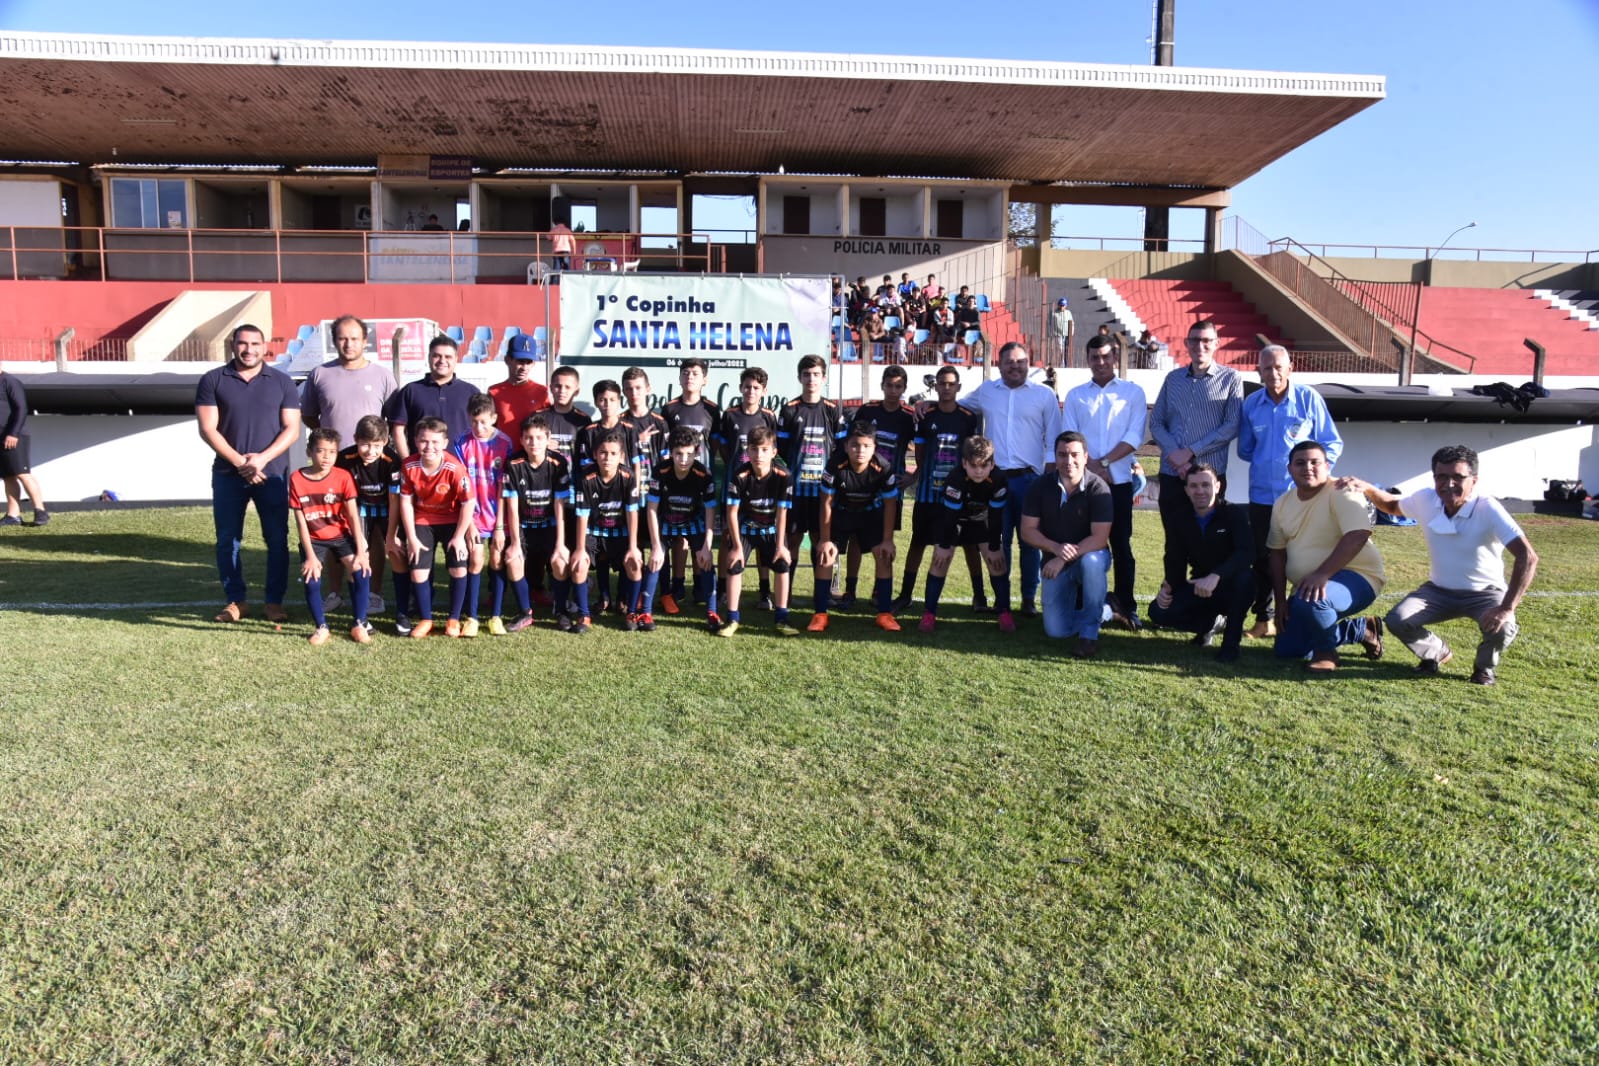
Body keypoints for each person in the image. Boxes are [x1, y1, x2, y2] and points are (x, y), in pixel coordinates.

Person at [1341, 445, 1537, 686]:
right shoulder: (1426, 499)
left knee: (1504, 626)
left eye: (1458, 477)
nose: (1448, 484)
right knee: (1397, 619)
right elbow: (1392, 506)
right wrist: (1367, 487)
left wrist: (1506, 608)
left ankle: (1483, 668)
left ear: (1474, 480)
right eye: (1441, 477)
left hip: (1485, 593)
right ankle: (1435, 653)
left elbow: (1528, 557)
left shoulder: (1488, 508)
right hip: (1438, 590)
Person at [196, 323, 301, 624]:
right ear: (233, 345)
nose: (249, 349)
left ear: (264, 346)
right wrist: (241, 463)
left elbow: (292, 429)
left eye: (255, 344)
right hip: (228, 474)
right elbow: (207, 429)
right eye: (243, 343)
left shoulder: (282, 382)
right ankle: (236, 601)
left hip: (272, 474)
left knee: (277, 539)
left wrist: (261, 460)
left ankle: (274, 602)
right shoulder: (213, 379)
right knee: (227, 540)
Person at [1235, 344, 1342, 640]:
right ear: (1259, 371)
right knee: (1263, 559)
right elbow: (1245, 449)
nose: (1273, 373)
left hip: (1301, 497)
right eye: (1267, 368)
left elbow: (1331, 443)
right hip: (1261, 496)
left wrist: (1314, 476)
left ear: (1290, 369)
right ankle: (1265, 619)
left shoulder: (1308, 399)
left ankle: (1299, 615)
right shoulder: (1251, 404)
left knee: (1300, 557)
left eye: (1278, 367)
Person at [956, 342, 1061, 616]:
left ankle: (1028, 599)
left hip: (1031, 480)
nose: (1015, 366)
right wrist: (926, 404)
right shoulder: (987, 391)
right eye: (1009, 362)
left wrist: (1049, 478)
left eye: (1020, 361)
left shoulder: (1044, 395)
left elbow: (1054, 438)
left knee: (1031, 542)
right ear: (999, 364)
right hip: (996, 480)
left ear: (1029, 363)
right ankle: (1001, 599)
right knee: (998, 541)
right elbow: (957, 405)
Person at [1266, 440, 1385, 672]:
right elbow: (1277, 552)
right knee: (1288, 649)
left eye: (1315, 462)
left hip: (1358, 576)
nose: (1307, 468)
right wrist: (1280, 600)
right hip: (1307, 584)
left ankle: (1326, 653)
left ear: (1327, 466)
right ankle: (1361, 630)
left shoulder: (1342, 491)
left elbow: (1358, 534)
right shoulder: (1282, 503)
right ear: (1290, 469)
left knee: (1313, 599)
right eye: (1300, 463)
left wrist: (1322, 574)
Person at [1061, 334, 1149, 629]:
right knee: (1081, 544)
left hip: (1119, 482)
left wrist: (1105, 464)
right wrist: (1093, 470)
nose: (1100, 362)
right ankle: (1082, 605)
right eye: (1094, 357)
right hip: (1083, 484)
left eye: (1105, 357)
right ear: (1087, 359)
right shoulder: (1076, 395)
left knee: (1121, 545)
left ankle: (1126, 606)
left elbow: (1134, 436)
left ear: (1115, 358)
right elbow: (1070, 437)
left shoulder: (1133, 392)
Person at [1147, 462, 1254, 662]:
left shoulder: (1234, 514)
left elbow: (1246, 553)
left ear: (1217, 486)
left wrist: (1217, 575)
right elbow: (1174, 557)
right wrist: (1168, 587)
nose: (1200, 491)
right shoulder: (1179, 518)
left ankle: (1231, 645)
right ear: (1186, 490)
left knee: (1245, 581)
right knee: (1158, 611)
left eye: (1206, 485)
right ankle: (1209, 625)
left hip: (1231, 585)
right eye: (1194, 486)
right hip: (1199, 586)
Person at [899, 365, 984, 613]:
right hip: (928, 493)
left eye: (950, 384)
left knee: (969, 543)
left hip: (958, 494)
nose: (946, 388)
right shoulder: (926, 415)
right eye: (942, 383)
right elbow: (920, 452)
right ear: (935, 386)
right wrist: (918, 475)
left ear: (958, 387)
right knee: (918, 542)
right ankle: (905, 595)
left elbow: (973, 453)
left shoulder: (968, 418)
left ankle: (979, 596)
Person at [1020, 431, 1113, 658]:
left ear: (1086, 457)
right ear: (1055, 456)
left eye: (1074, 455)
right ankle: (1108, 611)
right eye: (1062, 455)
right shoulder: (1040, 486)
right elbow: (1027, 531)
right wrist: (1054, 549)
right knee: (1056, 631)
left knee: (1092, 562)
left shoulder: (1098, 487)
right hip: (1054, 560)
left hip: (1089, 555)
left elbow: (1099, 538)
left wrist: (1062, 557)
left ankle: (1089, 636)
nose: (1068, 461)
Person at [1150, 319, 1243, 537]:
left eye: (1206, 341)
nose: (1200, 346)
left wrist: (1191, 452)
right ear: (1186, 343)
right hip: (1172, 473)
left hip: (1209, 477)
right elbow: (1156, 422)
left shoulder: (1231, 379)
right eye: (1194, 340)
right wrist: (1176, 456)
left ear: (1217, 343)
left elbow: (1232, 425)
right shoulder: (1173, 379)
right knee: (1174, 541)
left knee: (1210, 539)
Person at [811, 421, 901, 632]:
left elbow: (890, 504)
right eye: (855, 445)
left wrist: (888, 540)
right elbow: (825, 502)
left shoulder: (883, 468)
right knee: (826, 556)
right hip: (841, 513)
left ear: (874, 447)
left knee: (883, 554)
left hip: (869, 514)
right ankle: (820, 615)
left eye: (866, 446)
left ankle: (884, 614)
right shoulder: (834, 465)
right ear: (846, 446)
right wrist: (824, 540)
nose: (860, 450)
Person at [919, 436, 1012, 634]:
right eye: (973, 465)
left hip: (981, 519)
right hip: (953, 520)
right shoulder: (955, 478)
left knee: (998, 561)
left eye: (984, 465)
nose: (979, 471)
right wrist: (944, 546)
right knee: (940, 561)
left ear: (992, 464)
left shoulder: (999, 479)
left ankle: (1004, 612)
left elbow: (996, 517)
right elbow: (950, 518)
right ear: (964, 463)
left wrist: (994, 547)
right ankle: (929, 613)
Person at [288, 428, 372, 645]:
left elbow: (353, 516)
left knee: (361, 570)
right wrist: (310, 556)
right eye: (321, 451)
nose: (326, 457)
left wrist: (361, 551)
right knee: (311, 578)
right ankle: (321, 627)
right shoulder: (296, 478)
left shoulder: (343, 477)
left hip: (341, 535)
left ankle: (359, 623)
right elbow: (301, 522)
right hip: (314, 539)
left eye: (332, 452)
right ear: (309, 451)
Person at [777, 354, 847, 610]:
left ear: (824, 378)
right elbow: (781, 450)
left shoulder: (832, 410)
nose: (811, 379)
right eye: (806, 374)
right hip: (797, 491)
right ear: (799, 377)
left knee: (821, 540)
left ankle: (823, 594)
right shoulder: (789, 409)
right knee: (793, 540)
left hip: (823, 493)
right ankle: (786, 593)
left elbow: (841, 449)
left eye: (816, 374)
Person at [847, 365, 917, 611]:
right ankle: (850, 589)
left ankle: (879, 589)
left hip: (890, 487)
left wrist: (914, 476)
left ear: (904, 389)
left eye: (898, 386)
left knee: (885, 538)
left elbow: (924, 446)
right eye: (889, 385)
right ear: (882, 386)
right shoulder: (868, 411)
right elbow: (850, 440)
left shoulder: (909, 416)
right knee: (856, 538)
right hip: (863, 485)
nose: (893, 390)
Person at [397, 416, 474, 639]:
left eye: (435, 442)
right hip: (422, 520)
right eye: (423, 441)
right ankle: (426, 619)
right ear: (415, 441)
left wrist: (459, 536)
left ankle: (453, 619)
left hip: (451, 520)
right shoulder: (409, 466)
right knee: (418, 571)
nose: (429, 446)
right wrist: (411, 537)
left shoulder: (454, 468)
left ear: (445, 443)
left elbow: (468, 502)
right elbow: (405, 502)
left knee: (458, 568)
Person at [723, 425, 800, 637]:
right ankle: (732, 619)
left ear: (774, 452)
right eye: (754, 449)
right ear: (747, 451)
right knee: (734, 564)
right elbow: (731, 513)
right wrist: (736, 547)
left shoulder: (784, 475)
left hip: (771, 528)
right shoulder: (739, 475)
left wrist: (781, 546)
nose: (759, 455)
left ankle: (782, 619)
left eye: (764, 450)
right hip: (746, 528)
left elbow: (782, 513)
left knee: (782, 564)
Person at [500, 413, 573, 634]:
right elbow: (512, 507)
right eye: (529, 438)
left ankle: (561, 610)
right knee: (512, 558)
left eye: (539, 438)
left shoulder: (558, 462)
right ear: (522, 440)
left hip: (550, 525)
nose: (534, 443)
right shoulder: (513, 463)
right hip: (524, 527)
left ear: (548, 438)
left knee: (560, 560)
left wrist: (560, 544)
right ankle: (525, 612)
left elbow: (560, 506)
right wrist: (515, 542)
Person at [452, 394, 515, 637]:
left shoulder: (505, 443)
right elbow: (461, 485)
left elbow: (504, 487)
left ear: (494, 418)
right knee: (476, 559)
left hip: (497, 516)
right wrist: (468, 524)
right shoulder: (461, 442)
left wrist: (499, 527)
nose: (479, 427)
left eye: (484, 422)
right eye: (474, 422)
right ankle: (472, 617)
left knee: (497, 560)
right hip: (473, 516)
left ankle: (495, 616)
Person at [569, 432, 642, 635]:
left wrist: (633, 547)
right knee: (578, 564)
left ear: (621, 456)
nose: (607, 458)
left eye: (613, 453)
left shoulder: (629, 477)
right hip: (593, 530)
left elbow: (632, 513)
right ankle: (584, 615)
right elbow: (582, 515)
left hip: (620, 531)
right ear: (595, 454)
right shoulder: (586, 477)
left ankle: (631, 612)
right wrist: (580, 549)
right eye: (603, 452)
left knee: (635, 563)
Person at [648, 427, 719, 632]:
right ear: (671, 452)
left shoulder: (703, 474)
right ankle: (645, 611)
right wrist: (655, 546)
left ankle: (712, 612)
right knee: (656, 558)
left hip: (692, 522)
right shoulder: (660, 471)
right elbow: (651, 509)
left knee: (705, 559)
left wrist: (707, 546)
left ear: (697, 452)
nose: (684, 459)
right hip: (666, 521)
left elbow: (710, 511)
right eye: (678, 453)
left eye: (689, 454)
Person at [719, 366, 779, 610]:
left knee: (763, 535)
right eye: (747, 387)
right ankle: (723, 590)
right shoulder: (730, 415)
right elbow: (723, 447)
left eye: (756, 387)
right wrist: (738, 469)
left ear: (764, 391)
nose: (751, 391)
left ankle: (764, 592)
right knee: (728, 536)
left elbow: (773, 450)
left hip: (761, 489)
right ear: (740, 388)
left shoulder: (769, 417)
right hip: (735, 486)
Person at [336, 415, 404, 630]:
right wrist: (358, 538)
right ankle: (360, 612)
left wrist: (391, 536)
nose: (370, 451)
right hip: (358, 509)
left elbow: (395, 500)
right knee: (358, 557)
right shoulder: (344, 458)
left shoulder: (392, 460)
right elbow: (346, 502)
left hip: (387, 508)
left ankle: (404, 610)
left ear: (385, 442)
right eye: (365, 444)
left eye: (376, 445)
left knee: (397, 552)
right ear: (355, 439)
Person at [300, 314, 398, 448]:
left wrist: (376, 442)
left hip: (369, 456)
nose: (349, 344)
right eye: (342, 339)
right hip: (334, 456)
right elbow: (308, 416)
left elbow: (394, 419)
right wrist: (327, 438)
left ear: (364, 341)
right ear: (334, 341)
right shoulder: (319, 374)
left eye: (354, 339)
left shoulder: (383, 376)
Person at [386, 335, 480, 459]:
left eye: (448, 357)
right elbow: (398, 430)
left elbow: (482, 429)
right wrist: (407, 462)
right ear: (429, 357)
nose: (442, 361)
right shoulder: (411, 391)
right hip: (421, 466)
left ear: (456, 359)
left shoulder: (471, 392)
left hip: (462, 466)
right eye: (437, 356)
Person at [1, 367, 49, 526]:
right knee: (8, 476)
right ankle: (13, 515)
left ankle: (41, 511)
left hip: (15, 436)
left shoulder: (10, 382)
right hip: (1, 437)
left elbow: (21, 409)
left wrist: (13, 433)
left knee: (22, 473)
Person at [488, 335, 550, 436]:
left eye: (529, 362)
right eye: (520, 361)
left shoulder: (543, 392)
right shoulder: (494, 392)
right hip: (504, 447)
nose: (524, 367)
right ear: (507, 360)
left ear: (533, 363)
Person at [543, 365, 591, 463]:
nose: (562, 391)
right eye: (558, 386)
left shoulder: (584, 420)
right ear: (551, 388)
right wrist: (540, 446)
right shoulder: (538, 418)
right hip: (545, 472)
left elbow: (587, 456)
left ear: (576, 391)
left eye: (568, 387)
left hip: (574, 472)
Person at [1049, 298, 1074, 368]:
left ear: (1066, 306)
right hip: (1058, 334)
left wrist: (1071, 332)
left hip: (1067, 334)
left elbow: (1072, 323)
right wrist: (1051, 332)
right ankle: (1061, 364)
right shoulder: (1054, 313)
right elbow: (1050, 323)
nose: (1062, 307)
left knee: (1066, 349)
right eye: (1060, 305)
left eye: (1063, 305)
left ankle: (1066, 364)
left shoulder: (1068, 313)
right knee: (1060, 350)